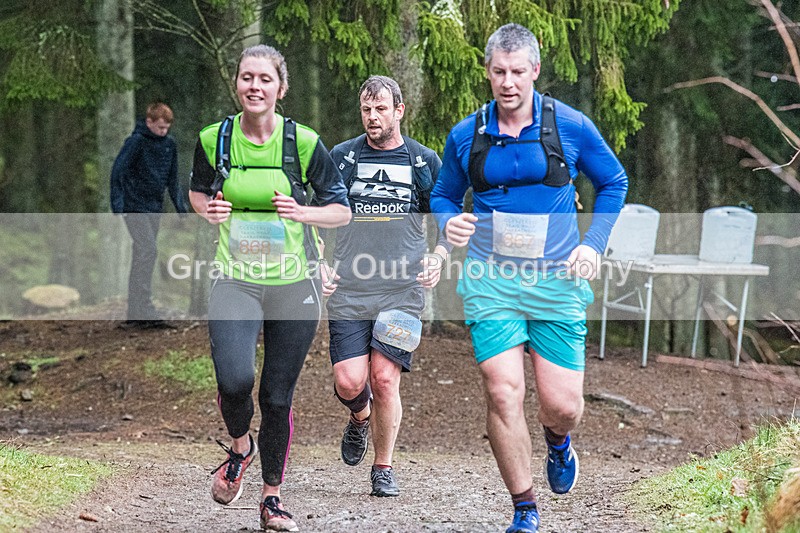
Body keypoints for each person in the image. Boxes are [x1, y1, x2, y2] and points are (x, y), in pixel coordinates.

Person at [430, 24, 628, 533]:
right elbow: (443, 194)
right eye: (499, 71)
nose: (508, 82)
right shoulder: (466, 134)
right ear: (488, 71)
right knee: (502, 391)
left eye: (518, 72)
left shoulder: (569, 125)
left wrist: (593, 243)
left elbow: (613, 181)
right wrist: (446, 220)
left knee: (563, 406)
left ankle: (558, 441)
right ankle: (524, 508)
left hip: (558, 279)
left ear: (535, 71)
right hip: (490, 277)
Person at [188, 44, 351, 532]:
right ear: (236, 84)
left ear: (281, 88)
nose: (254, 87)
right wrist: (207, 210)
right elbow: (197, 193)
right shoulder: (214, 138)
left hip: (293, 284)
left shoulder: (303, 143)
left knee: (277, 397)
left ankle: (272, 499)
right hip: (235, 279)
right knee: (234, 379)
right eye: (246, 78)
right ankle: (240, 447)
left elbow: (340, 209)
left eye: (264, 79)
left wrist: (303, 213)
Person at [320, 76, 451, 497]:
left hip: (402, 290)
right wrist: (317, 262)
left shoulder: (422, 161)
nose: (372, 117)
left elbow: (445, 216)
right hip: (350, 288)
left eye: (380, 109)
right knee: (348, 381)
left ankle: (383, 467)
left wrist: (439, 256)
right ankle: (359, 418)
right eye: (366, 110)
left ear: (399, 110)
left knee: (384, 378)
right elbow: (316, 212)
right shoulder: (342, 158)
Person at [111, 102, 187, 328]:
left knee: (144, 255)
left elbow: (172, 178)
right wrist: (118, 203)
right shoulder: (136, 142)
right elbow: (118, 171)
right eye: (160, 127)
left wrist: (181, 207)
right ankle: (143, 308)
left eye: (167, 128)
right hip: (134, 206)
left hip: (155, 207)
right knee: (148, 250)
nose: (163, 132)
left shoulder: (169, 145)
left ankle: (137, 312)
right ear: (149, 122)